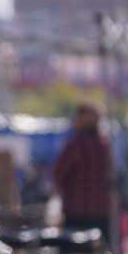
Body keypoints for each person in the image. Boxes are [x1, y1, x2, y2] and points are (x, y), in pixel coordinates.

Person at [52, 99, 113, 245]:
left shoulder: (75, 145)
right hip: (102, 212)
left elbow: (57, 175)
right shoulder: (105, 145)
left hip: (76, 212)